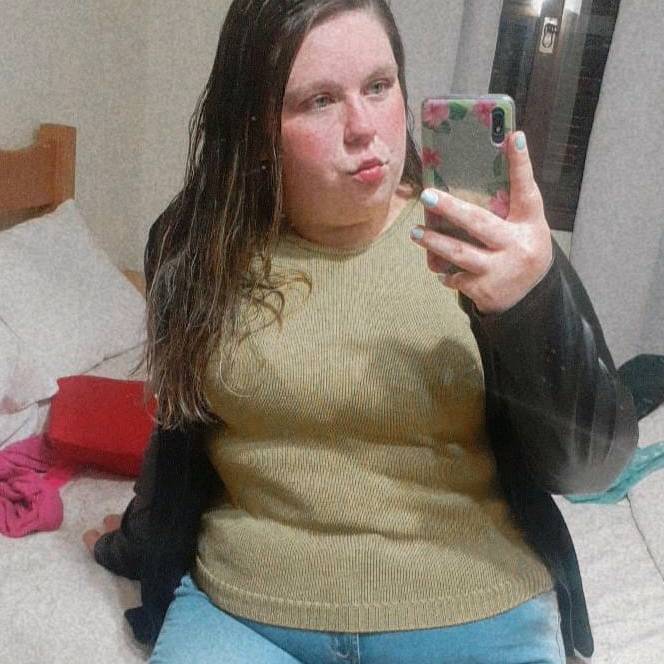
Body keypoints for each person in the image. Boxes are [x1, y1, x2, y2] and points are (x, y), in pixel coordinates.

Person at [83, 1, 638, 662]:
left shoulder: (486, 241)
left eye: (379, 86)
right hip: (244, 613)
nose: (364, 128)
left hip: (474, 610)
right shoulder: (193, 247)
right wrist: (138, 540)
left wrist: (532, 298)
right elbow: (180, 432)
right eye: (319, 101)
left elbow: (591, 466)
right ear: (254, 124)